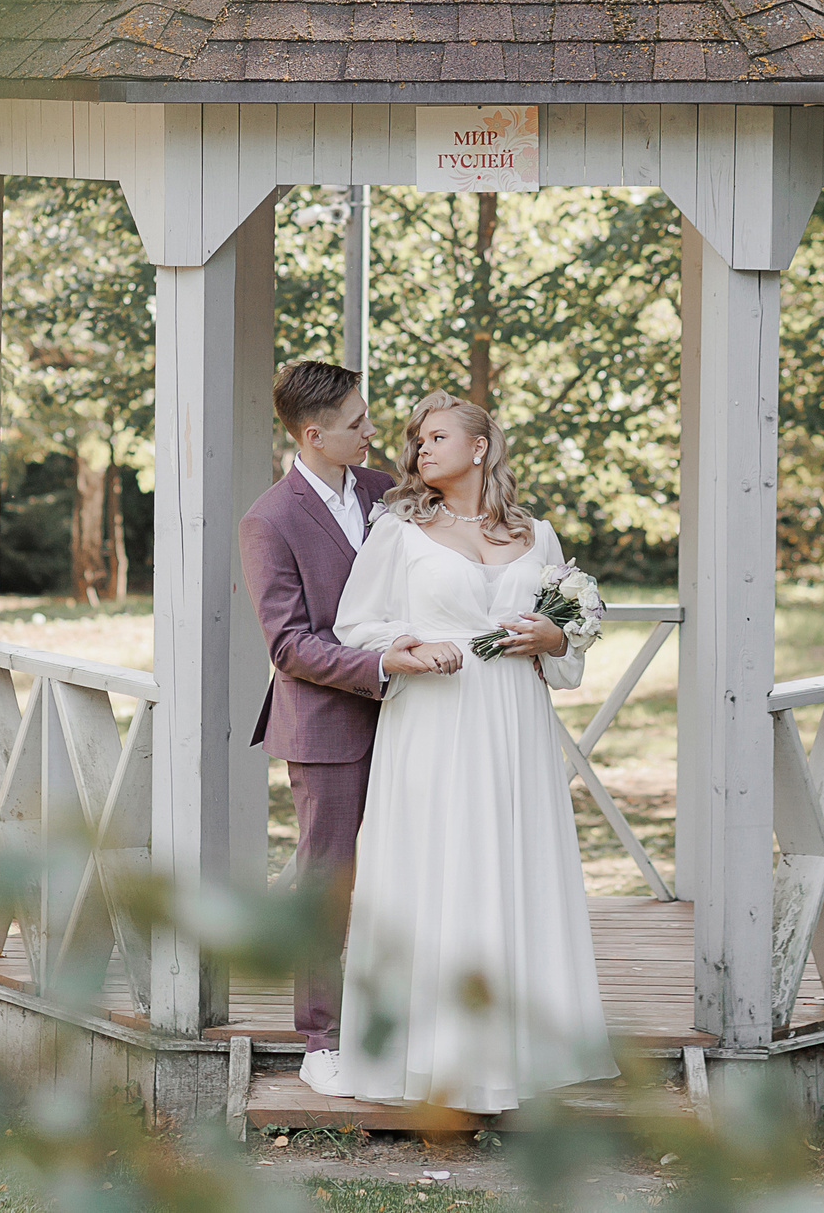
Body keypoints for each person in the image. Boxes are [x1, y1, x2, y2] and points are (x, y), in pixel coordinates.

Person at [299, 390, 619, 1113]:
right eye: (415, 440)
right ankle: (432, 1057)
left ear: (480, 448)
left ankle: (516, 1053)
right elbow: (356, 625)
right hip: (435, 725)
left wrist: (554, 637)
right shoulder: (399, 530)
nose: (419, 450)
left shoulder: (537, 536)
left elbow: (565, 634)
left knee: (512, 866)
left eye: (436, 436)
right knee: (436, 869)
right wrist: (409, 645)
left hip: (513, 721)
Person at [237, 359, 427, 1055]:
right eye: (357, 424)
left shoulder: (386, 492)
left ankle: (403, 1016)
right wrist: (381, 663)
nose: (372, 432)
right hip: (327, 730)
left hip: (414, 717)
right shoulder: (269, 519)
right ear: (313, 435)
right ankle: (321, 1036)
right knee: (329, 882)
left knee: (409, 869)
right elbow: (289, 645)